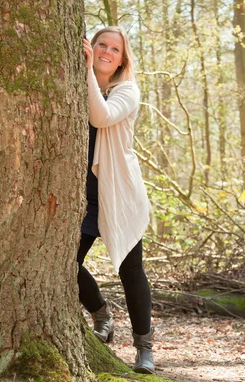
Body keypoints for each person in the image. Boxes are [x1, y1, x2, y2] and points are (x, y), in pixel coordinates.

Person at [79, 26, 154, 374]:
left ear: (123, 59)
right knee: (65, 264)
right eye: (101, 45)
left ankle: (144, 348)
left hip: (119, 193)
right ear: (91, 47)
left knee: (130, 271)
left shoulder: (128, 90)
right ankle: (102, 315)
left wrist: (88, 67)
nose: (107, 52)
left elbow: (101, 116)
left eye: (114, 49)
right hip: (80, 194)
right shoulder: (74, 83)